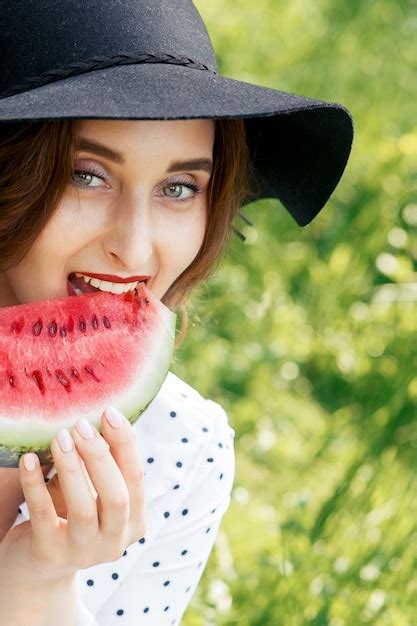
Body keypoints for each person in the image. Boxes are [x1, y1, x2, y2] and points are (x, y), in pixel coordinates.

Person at [0, 1, 354, 625]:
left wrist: (38, 584)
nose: (135, 249)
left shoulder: (183, 450)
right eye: (87, 175)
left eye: (179, 188)